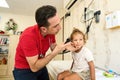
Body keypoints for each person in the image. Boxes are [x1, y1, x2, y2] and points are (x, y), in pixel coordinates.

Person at [13, 5, 72, 80]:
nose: (60, 28)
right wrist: (54, 53)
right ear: (44, 29)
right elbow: (34, 67)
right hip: (24, 69)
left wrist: (66, 46)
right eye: (55, 26)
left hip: (40, 64)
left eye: (59, 23)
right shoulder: (28, 36)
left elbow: (53, 47)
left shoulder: (51, 33)